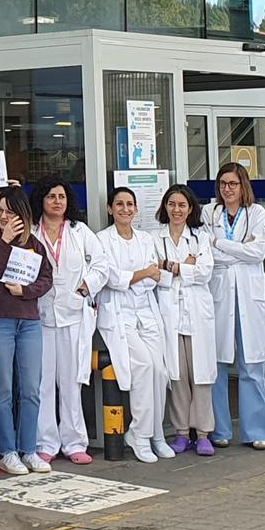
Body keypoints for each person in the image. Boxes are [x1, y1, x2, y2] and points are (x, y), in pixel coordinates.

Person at [0, 185, 53, 476]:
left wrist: (27, 290)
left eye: (10, 211)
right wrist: (4, 242)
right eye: (0, 210)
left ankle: (29, 448)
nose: (4, 216)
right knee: (3, 389)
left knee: (31, 388)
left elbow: (47, 278)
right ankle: (7, 450)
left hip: (29, 320)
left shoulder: (35, 243)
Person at [29, 175, 108, 465]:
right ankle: (46, 442)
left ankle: (75, 442)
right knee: (44, 383)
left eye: (62, 197)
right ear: (41, 200)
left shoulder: (79, 230)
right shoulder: (30, 232)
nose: (57, 202)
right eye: (51, 196)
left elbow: (101, 264)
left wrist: (86, 286)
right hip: (40, 315)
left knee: (72, 381)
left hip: (74, 314)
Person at [97, 186, 172, 464]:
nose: (125, 209)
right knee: (143, 366)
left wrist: (138, 277)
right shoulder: (101, 240)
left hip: (145, 312)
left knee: (161, 371)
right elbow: (113, 278)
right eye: (119, 204)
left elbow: (157, 275)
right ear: (110, 209)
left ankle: (156, 434)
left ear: (136, 209)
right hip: (119, 315)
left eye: (130, 204)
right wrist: (142, 274)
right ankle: (138, 435)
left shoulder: (145, 239)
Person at [207, 162, 265, 450]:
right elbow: (207, 254)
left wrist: (221, 243)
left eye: (233, 183)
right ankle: (219, 430)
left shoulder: (257, 213)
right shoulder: (210, 212)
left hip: (248, 297)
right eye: (223, 183)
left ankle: (257, 430)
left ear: (243, 185)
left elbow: (259, 252)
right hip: (219, 296)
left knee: (251, 366)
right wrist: (238, 249)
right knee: (217, 367)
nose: (227, 189)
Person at [154, 185, 217, 455]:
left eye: (182, 205)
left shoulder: (200, 238)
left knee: (200, 375)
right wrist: (180, 267)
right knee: (177, 375)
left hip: (197, 314)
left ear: (190, 209)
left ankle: (203, 433)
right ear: (165, 207)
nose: (176, 210)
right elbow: (156, 274)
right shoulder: (155, 238)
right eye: (172, 204)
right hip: (170, 314)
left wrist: (173, 266)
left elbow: (205, 272)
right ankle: (181, 432)